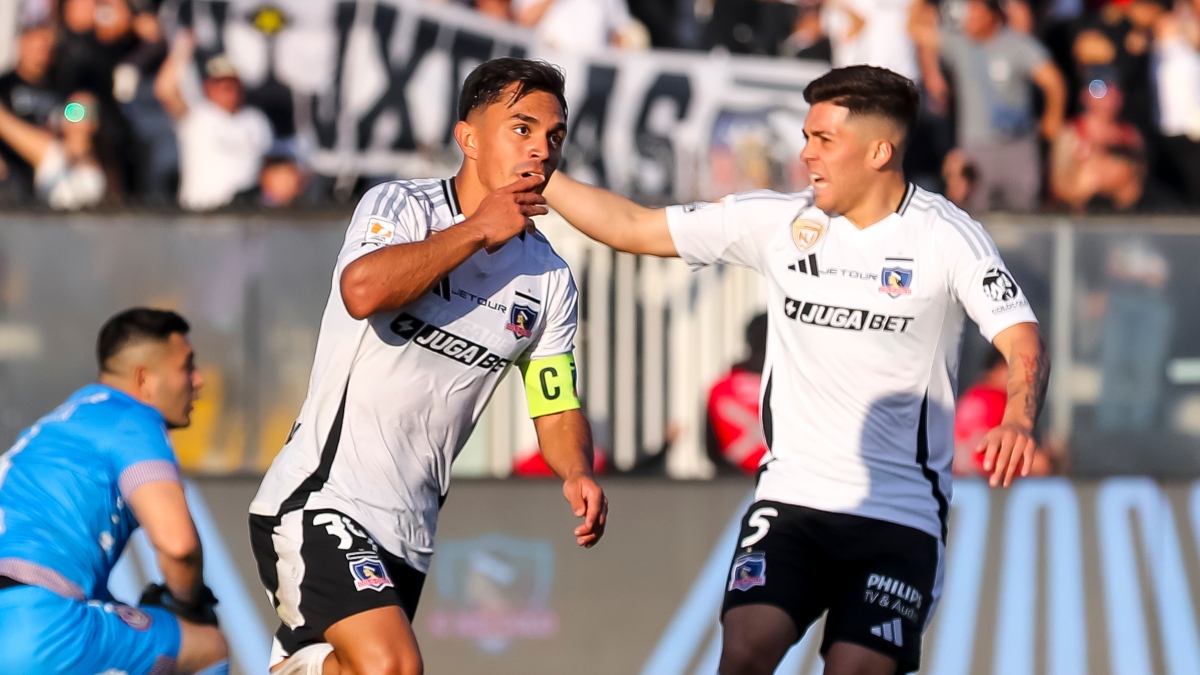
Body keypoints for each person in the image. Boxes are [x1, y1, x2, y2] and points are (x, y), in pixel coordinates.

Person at [544, 65, 1048, 675]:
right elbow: (633, 227)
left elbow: (1021, 338)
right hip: (792, 500)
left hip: (901, 514)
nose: (805, 153)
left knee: (855, 669)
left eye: (823, 139)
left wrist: (1018, 419)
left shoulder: (947, 237)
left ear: (879, 151)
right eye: (807, 136)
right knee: (745, 651)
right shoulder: (779, 222)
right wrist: (539, 175)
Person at [249, 57, 607, 675]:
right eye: (522, 128)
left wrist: (576, 470)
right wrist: (478, 231)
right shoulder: (403, 205)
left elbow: (555, 403)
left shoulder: (549, 278)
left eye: (554, 136)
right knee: (393, 666)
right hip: (322, 495)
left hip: (411, 530)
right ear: (469, 138)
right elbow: (363, 289)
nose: (541, 150)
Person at [0, 308, 229, 674]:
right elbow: (178, 546)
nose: (198, 379)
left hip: (25, 614)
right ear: (145, 379)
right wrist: (188, 604)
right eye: (187, 366)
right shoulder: (131, 420)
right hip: (36, 624)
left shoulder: (56, 426)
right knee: (208, 646)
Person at [920, 0, 1067, 213]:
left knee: (1025, 213)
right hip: (977, 146)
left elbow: (1053, 81)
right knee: (975, 212)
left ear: (993, 15)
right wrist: (921, 6)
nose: (969, 17)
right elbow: (918, 31)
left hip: (1018, 145)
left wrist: (1052, 118)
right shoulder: (960, 44)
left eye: (976, 10)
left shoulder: (1017, 44)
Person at [154, 32, 272, 211]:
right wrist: (181, 50)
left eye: (233, 84)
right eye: (222, 84)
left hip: (247, 213)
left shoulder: (257, 120)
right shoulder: (197, 116)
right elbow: (165, 90)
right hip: (202, 212)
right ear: (208, 87)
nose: (229, 90)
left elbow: (270, 166)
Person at [1048, 70, 1145, 212]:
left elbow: (1138, 183)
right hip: (1078, 210)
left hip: (1121, 211)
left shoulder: (1130, 135)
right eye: (1099, 90)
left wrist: (1118, 175)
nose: (1110, 96)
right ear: (1084, 95)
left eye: (1116, 90)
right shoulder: (1071, 133)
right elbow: (1058, 185)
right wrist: (1092, 182)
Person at [954, 346, 1054, 477]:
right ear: (998, 369)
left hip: (958, 478)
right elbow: (1039, 464)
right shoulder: (1002, 400)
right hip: (990, 476)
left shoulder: (968, 397)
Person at [0, 90, 108, 209]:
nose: (76, 116)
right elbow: (4, 121)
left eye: (83, 111)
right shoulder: (50, 151)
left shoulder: (108, 163)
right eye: (71, 110)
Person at [706, 312, 770, 475]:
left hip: (731, 483)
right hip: (778, 482)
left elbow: (712, 451)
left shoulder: (721, 388)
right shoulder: (788, 386)